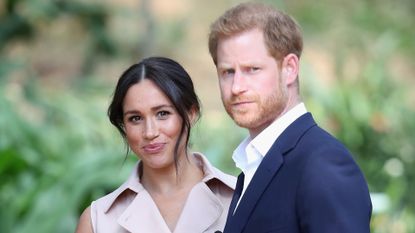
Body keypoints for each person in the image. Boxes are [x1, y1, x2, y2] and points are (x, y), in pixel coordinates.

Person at [208, 2, 372, 233]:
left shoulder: (323, 164)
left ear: (290, 68)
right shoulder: (255, 164)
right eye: (228, 72)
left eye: (252, 69)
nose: (236, 87)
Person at [75, 57, 236, 233]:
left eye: (162, 113)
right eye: (135, 118)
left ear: (191, 113)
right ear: (123, 125)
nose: (150, 132)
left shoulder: (242, 197)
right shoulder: (98, 220)